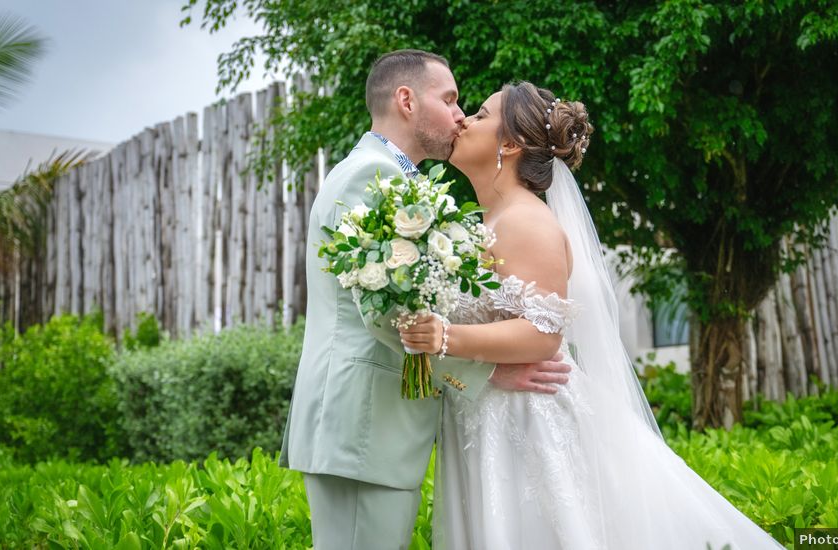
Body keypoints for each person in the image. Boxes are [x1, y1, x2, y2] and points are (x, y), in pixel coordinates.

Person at [400, 82, 784, 549]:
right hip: (490, 418)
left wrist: (444, 337)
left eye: (480, 114)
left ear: (509, 143)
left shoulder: (526, 221)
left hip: (530, 423)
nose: (464, 120)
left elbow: (542, 336)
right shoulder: (490, 223)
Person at [278, 52, 570, 550]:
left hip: (380, 434)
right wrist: (486, 372)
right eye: (452, 99)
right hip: (362, 428)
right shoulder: (369, 177)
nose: (460, 115)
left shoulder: (400, 180)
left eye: (470, 109)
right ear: (406, 101)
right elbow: (384, 314)